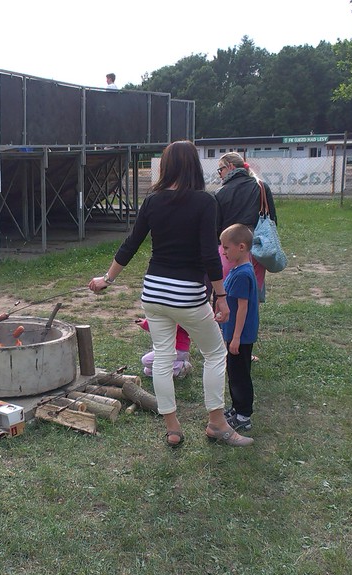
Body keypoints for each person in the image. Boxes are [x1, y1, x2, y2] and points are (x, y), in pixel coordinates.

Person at [88, 140, 252, 448]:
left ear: (167, 166)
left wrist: (106, 279)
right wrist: (221, 297)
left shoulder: (153, 200)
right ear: (193, 165)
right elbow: (209, 253)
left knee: (163, 358)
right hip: (187, 295)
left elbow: (131, 244)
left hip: (153, 292)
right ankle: (217, 424)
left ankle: (173, 428)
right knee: (215, 353)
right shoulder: (205, 202)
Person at [215, 152, 278, 295]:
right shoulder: (261, 186)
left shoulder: (220, 192)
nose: (220, 174)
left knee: (229, 292)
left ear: (230, 166)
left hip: (229, 247)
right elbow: (272, 218)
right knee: (253, 293)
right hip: (256, 245)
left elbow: (216, 226)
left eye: (221, 169)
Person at [219, 224, 260, 433]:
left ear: (241, 247)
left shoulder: (243, 274)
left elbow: (243, 308)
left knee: (240, 375)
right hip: (234, 333)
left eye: (226, 247)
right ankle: (236, 408)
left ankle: (244, 416)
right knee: (234, 373)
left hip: (240, 336)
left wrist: (235, 338)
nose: (223, 252)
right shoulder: (238, 269)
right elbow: (232, 303)